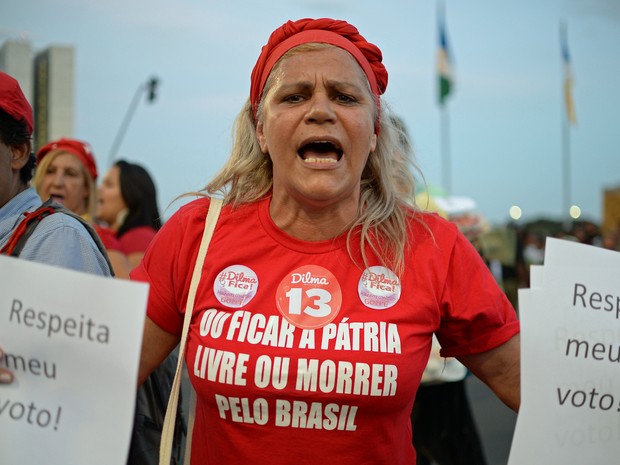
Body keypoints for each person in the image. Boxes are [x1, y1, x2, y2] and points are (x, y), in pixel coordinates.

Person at [132, 18, 520, 465]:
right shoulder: (196, 235)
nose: (320, 110)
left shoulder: (433, 246)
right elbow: (102, 379)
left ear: (373, 132)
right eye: (294, 96)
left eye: (344, 96)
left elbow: (539, 393)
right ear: (260, 129)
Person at [0, 71, 112, 383]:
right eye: (54, 171)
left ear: (18, 153)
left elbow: (65, 381)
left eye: (71, 174)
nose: (59, 182)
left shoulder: (58, 238)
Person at [33, 137, 132, 278]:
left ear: (86, 188)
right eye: (50, 171)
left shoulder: (100, 239)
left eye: (70, 174)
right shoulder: (20, 231)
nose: (57, 182)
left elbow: (127, 296)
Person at [96, 159, 161, 269]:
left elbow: (133, 283)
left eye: (109, 185)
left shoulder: (139, 237)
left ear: (130, 195)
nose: (99, 190)